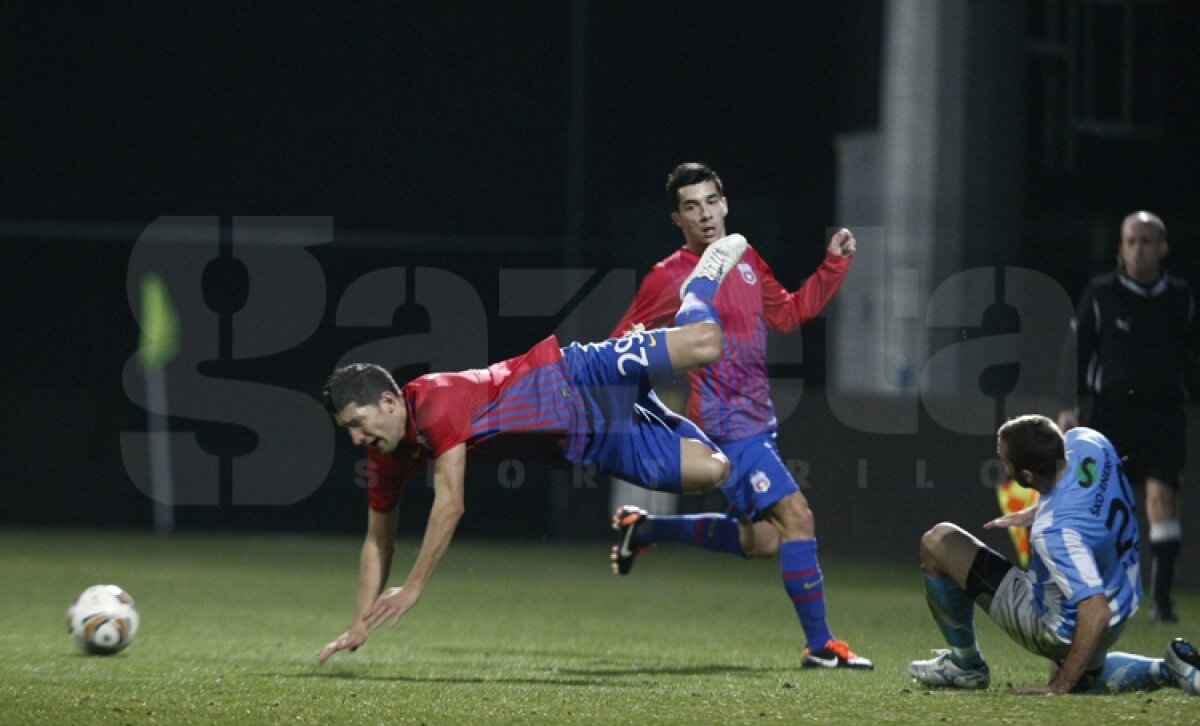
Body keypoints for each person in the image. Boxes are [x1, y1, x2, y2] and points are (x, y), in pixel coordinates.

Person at [315, 234, 748, 663]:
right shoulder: (386, 452)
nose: (355, 437)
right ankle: (647, 398)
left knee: (706, 343)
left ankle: (699, 286)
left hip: (584, 375)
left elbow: (450, 505)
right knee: (714, 470)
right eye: (347, 429)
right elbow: (377, 541)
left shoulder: (434, 402)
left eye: (357, 422)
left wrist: (412, 588)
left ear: (388, 402)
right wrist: (358, 621)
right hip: (592, 439)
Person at [607, 161, 871, 670]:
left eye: (710, 201)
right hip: (724, 424)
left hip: (758, 420)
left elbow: (788, 313)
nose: (704, 214)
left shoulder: (744, 257)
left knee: (763, 540)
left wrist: (832, 265)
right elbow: (623, 344)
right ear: (676, 219)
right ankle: (821, 646)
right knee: (798, 518)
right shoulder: (668, 278)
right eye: (691, 207)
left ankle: (645, 530)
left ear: (724, 204)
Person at [908, 414, 1200, 695]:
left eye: (1004, 460)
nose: (1002, 465)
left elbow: (1096, 612)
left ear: (1027, 475)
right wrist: (1039, 510)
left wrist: (1060, 684)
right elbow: (1090, 496)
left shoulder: (1054, 532)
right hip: (1122, 598)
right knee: (1087, 672)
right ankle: (1166, 669)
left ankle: (965, 666)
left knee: (938, 541)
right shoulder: (1088, 441)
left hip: (1071, 627)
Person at [1058, 211, 1198, 622]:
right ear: (1120, 249)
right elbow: (1077, 350)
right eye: (1131, 241)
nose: (1139, 249)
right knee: (1101, 506)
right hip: (1110, 415)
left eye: (1147, 241)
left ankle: (1162, 601)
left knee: (1161, 499)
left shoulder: (1180, 298)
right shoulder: (1101, 294)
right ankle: (1098, 596)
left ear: (1163, 248)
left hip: (1163, 416)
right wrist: (1068, 404)